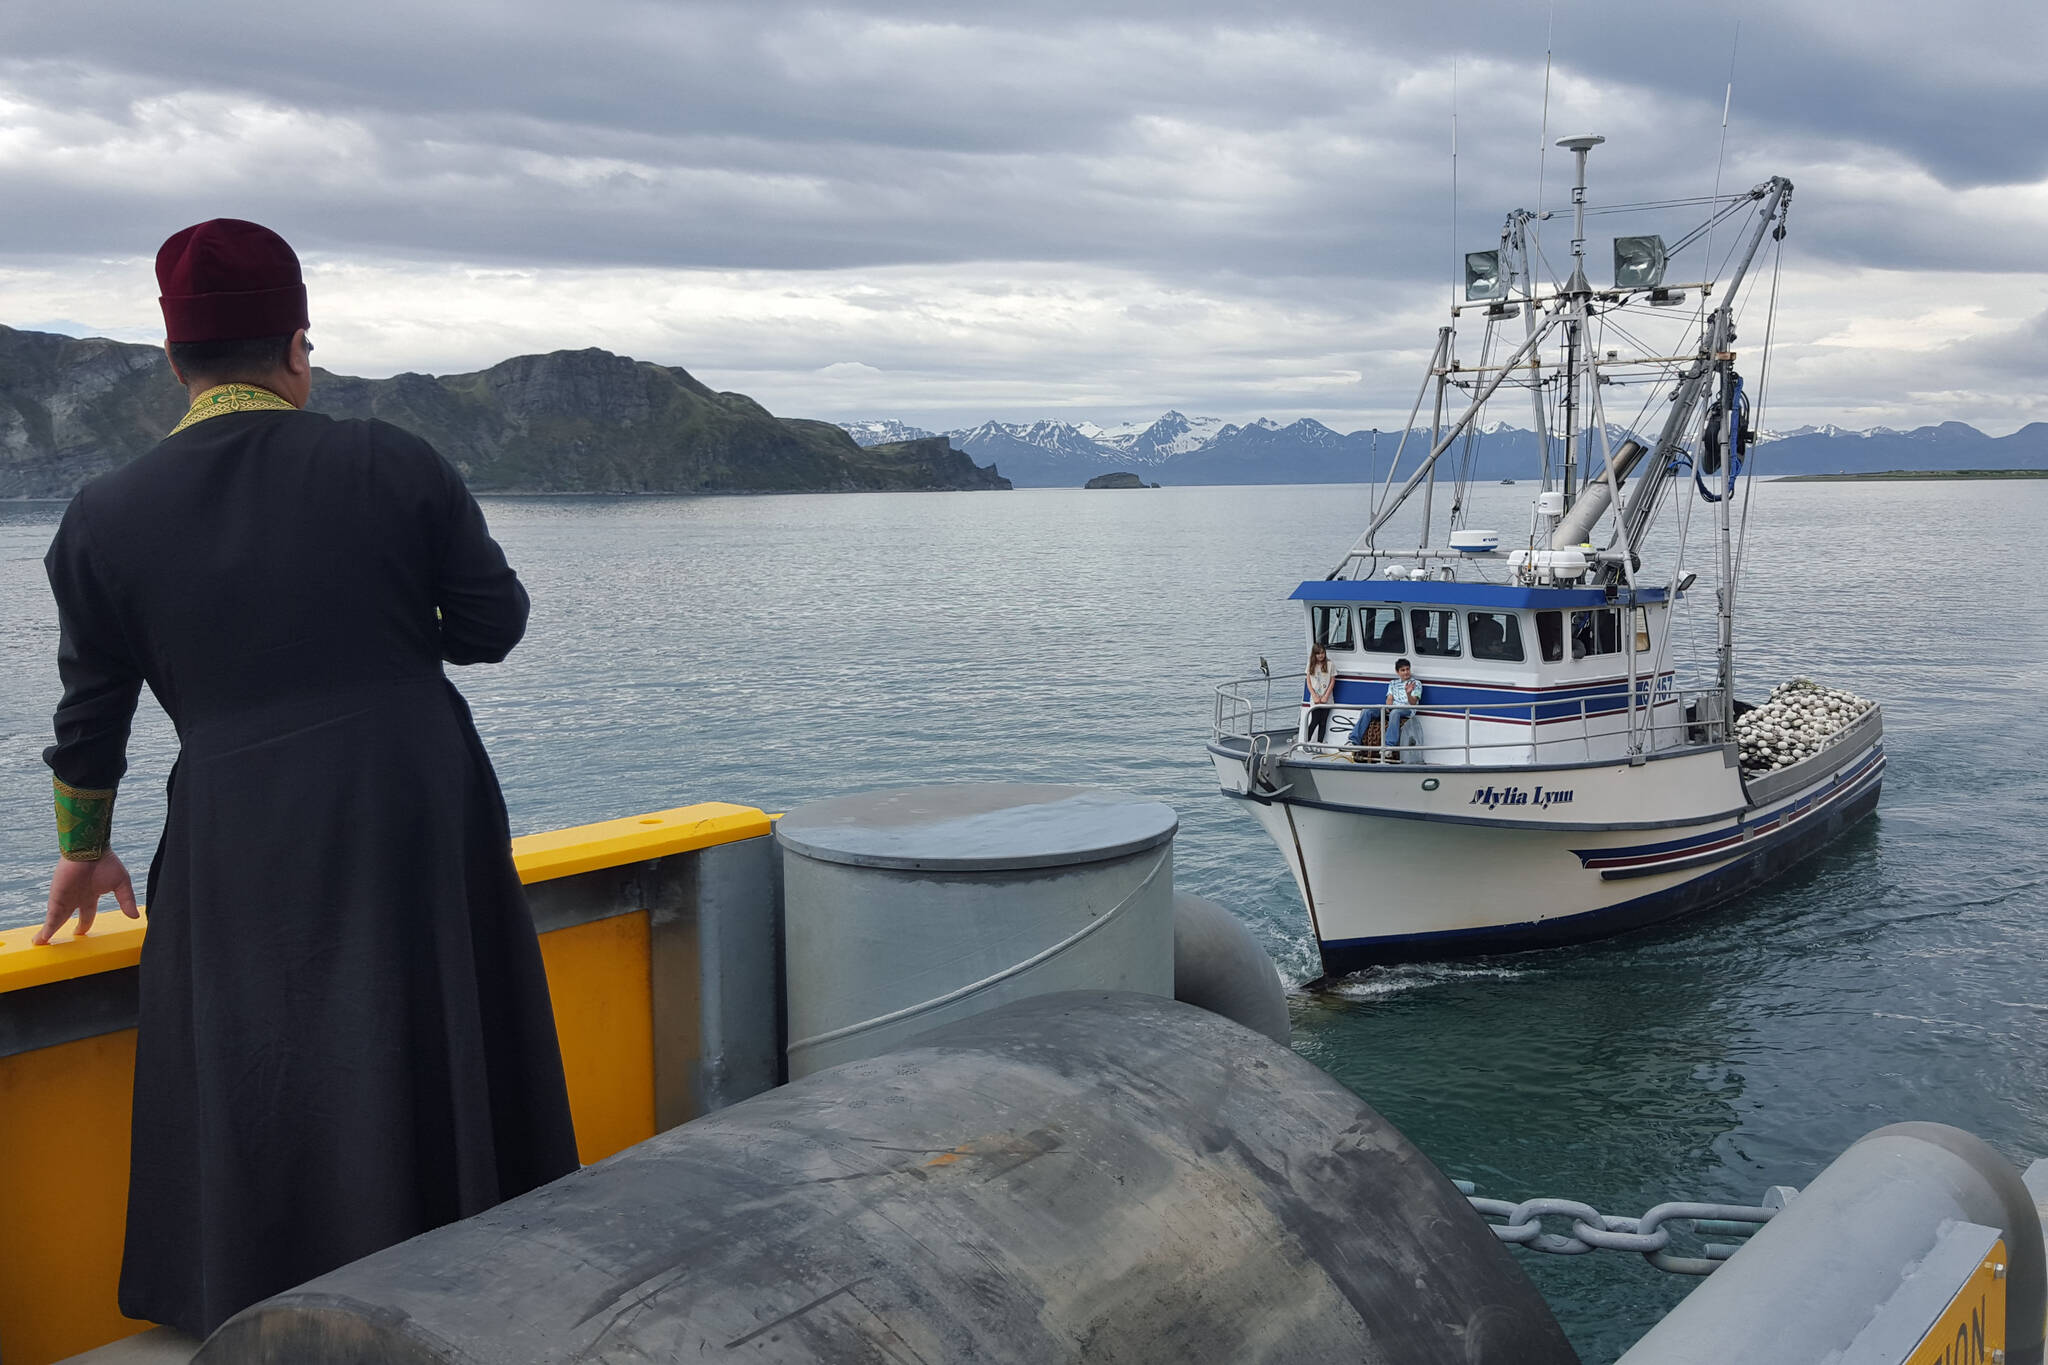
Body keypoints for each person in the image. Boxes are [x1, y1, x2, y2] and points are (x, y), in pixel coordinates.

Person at [35, 219, 580, 1339]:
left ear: (175, 362)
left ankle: (252, 1299)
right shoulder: (392, 462)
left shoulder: (103, 515)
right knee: (428, 1008)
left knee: (258, 1043)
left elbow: (93, 713)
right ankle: (462, 1269)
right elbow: (492, 626)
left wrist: (84, 845)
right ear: (296, 348)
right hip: (406, 785)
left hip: (236, 807)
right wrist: (385, 634)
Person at [1347, 658, 1422, 760]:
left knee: (1395, 713)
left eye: (1407, 669)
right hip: (1392, 708)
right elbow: (1389, 698)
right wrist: (1387, 708)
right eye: (1403, 670)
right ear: (1397, 672)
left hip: (1407, 709)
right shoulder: (1393, 683)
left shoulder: (1416, 684)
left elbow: (1413, 703)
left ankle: (1389, 746)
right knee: (1368, 710)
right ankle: (1354, 742)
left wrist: (1408, 693)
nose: (1406, 672)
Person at [1304, 643, 1336, 743]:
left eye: (1322, 653)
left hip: (1327, 698)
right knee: (1314, 721)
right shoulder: (1310, 664)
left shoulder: (1330, 664)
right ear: (1314, 654)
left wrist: (1326, 696)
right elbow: (1308, 682)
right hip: (1315, 698)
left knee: (1323, 722)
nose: (1320, 655)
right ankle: (1306, 741)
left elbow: (1332, 681)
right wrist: (1314, 695)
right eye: (1318, 653)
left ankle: (1320, 743)